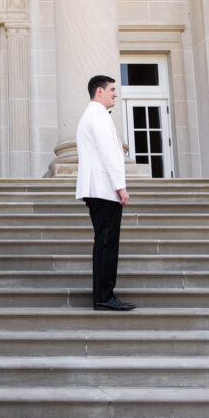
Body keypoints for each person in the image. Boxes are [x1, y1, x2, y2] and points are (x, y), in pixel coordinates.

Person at [76, 75, 135, 312]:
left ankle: (104, 295)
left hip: (98, 189)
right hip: (103, 189)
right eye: (111, 89)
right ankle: (104, 296)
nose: (115, 93)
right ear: (98, 91)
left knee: (105, 243)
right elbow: (109, 154)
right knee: (107, 244)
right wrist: (120, 186)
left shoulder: (91, 115)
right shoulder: (98, 116)